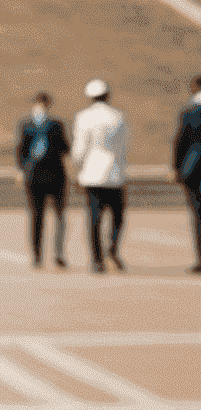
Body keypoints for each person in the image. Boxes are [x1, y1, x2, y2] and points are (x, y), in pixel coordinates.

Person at [72, 77, 129, 273]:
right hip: (114, 174)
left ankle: (97, 260)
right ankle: (112, 248)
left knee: (94, 218)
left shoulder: (83, 117)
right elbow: (124, 147)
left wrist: (78, 168)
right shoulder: (118, 116)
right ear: (107, 95)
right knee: (118, 217)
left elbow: (79, 150)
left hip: (92, 174)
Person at [14, 91, 70, 269]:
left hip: (55, 175)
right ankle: (37, 254)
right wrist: (21, 170)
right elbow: (21, 150)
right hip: (34, 175)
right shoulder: (26, 125)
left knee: (59, 216)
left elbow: (65, 148)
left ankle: (58, 253)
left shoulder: (56, 125)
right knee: (37, 216)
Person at [173, 73, 201, 274]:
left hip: (195, 171)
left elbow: (181, 143)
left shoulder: (189, 112)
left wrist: (176, 168)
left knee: (198, 215)